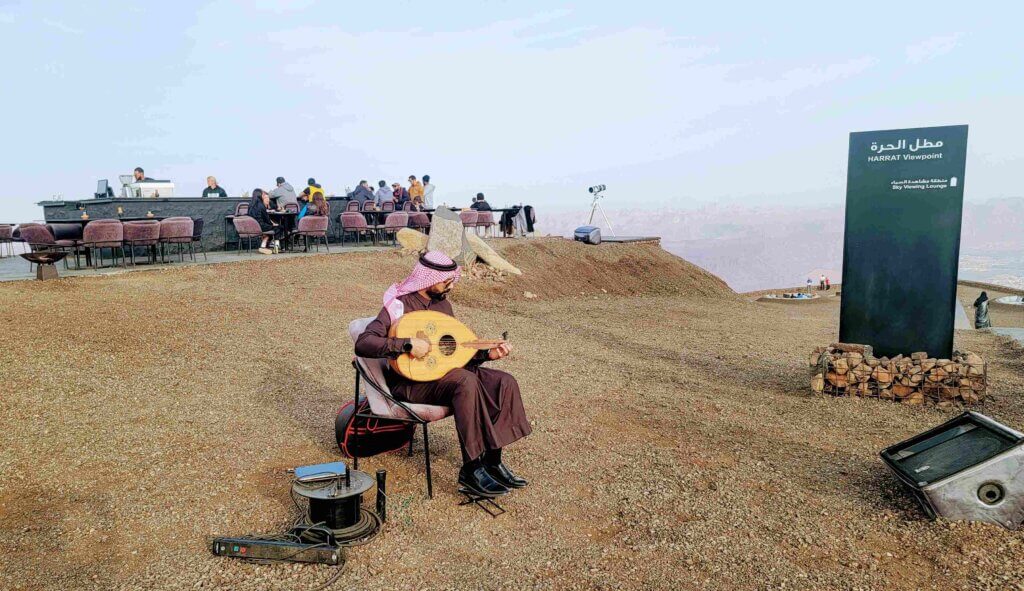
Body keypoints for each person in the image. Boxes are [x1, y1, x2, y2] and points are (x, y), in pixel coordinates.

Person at [354, 251, 531, 497]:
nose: (451, 283)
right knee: (465, 381)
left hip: (443, 376)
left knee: (504, 382)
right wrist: (406, 344)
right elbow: (364, 343)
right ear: (427, 278)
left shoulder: (442, 306)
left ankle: (492, 461)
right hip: (409, 383)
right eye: (446, 279)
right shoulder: (398, 305)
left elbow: (452, 351)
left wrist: (486, 356)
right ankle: (471, 469)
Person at [248, 189, 282, 255]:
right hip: (261, 226)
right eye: (263, 194)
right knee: (278, 227)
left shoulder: (250, 205)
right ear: (260, 195)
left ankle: (263, 246)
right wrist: (273, 224)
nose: (264, 196)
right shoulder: (261, 205)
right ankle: (276, 248)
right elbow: (267, 219)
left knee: (270, 230)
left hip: (253, 226)